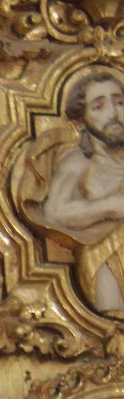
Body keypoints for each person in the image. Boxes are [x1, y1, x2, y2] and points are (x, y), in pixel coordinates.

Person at [40, 68, 124, 315]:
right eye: (98, 107)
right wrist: (110, 205)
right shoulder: (78, 162)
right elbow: (54, 212)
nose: (114, 114)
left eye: (120, 102)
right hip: (104, 261)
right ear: (81, 121)